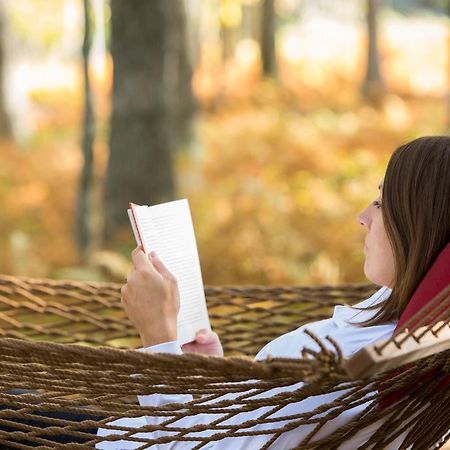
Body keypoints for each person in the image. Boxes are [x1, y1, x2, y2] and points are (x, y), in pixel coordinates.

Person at [97, 135, 450, 449]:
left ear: (417, 224)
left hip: (116, 440)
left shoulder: (356, 369)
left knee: (39, 409)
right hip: (123, 431)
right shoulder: (404, 320)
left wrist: (158, 337)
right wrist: (207, 377)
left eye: (380, 203)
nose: (362, 217)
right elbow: (252, 428)